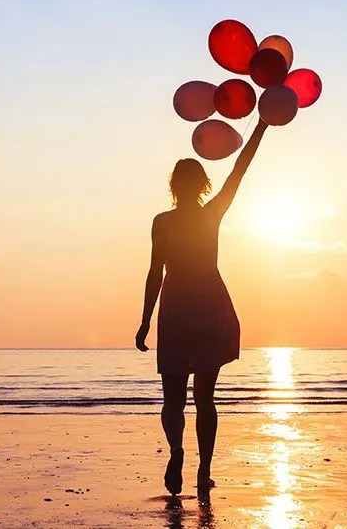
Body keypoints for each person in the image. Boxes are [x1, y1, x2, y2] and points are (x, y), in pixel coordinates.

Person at [135, 119, 270, 496]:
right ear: (203, 186)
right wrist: (261, 125)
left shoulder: (162, 222)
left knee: (173, 398)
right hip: (209, 304)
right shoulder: (211, 214)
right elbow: (240, 170)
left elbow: (154, 272)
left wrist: (144, 321)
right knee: (205, 398)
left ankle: (177, 449)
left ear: (173, 186)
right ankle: (203, 470)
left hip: (176, 305)